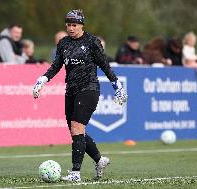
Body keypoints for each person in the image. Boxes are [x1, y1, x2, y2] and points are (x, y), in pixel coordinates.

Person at [32, 9, 127, 182]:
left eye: (74, 25)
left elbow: (105, 65)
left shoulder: (92, 42)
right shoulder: (63, 43)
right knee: (76, 131)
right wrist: (42, 79)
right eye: (68, 25)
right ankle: (99, 160)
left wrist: (117, 85)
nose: (71, 28)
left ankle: (75, 173)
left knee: (76, 127)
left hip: (89, 89)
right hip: (71, 90)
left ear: (82, 25)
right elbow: (56, 66)